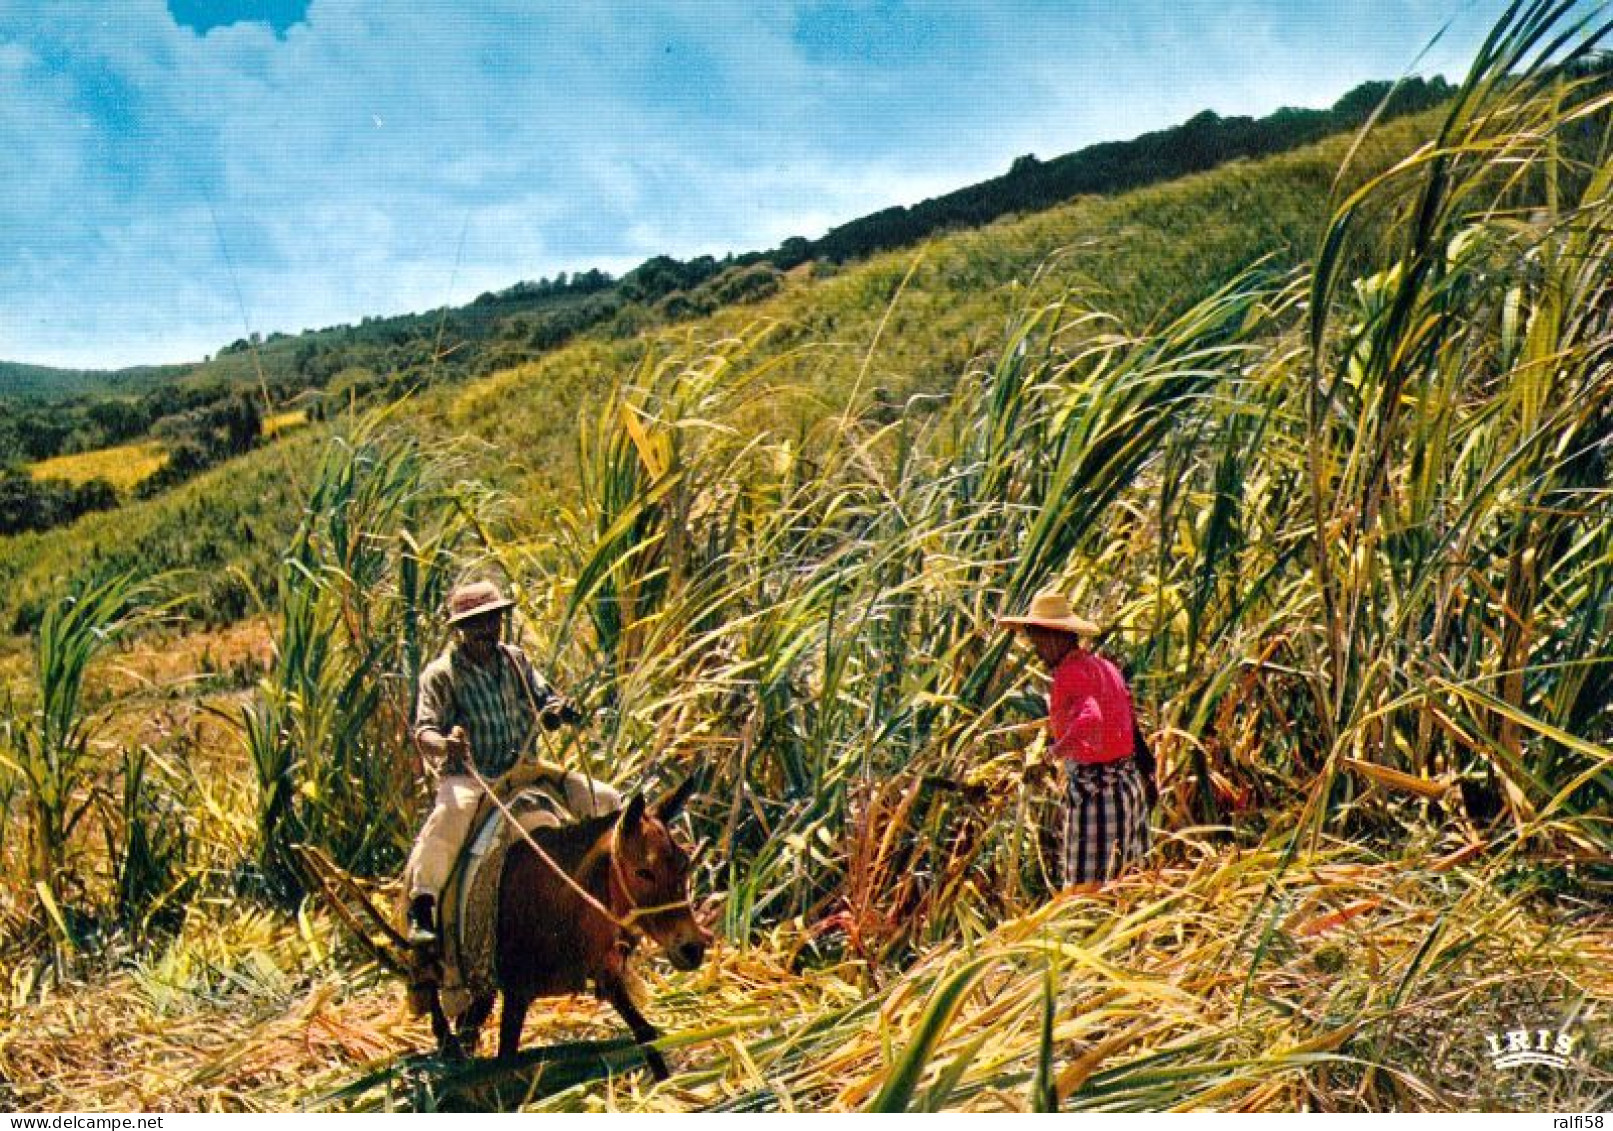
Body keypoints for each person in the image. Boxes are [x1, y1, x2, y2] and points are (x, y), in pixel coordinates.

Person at [404, 578, 620, 947]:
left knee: (607, 800)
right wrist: (446, 746)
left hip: (525, 770)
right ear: (459, 631)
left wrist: (559, 711)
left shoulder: (516, 660)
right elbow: (423, 731)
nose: (486, 630)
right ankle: (423, 906)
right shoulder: (441, 675)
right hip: (473, 775)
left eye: (492, 619)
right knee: (449, 818)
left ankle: (617, 895)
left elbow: (544, 702)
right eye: (475, 623)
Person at [1001, 590, 1153, 887]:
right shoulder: (1104, 666)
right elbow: (1126, 718)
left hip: (1097, 794)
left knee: (1087, 895)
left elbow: (1091, 718)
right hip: (1128, 786)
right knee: (1126, 886)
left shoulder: (1069, 672)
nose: (1036, 649)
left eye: (1037, 639)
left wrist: (1052, 754)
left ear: (1056, 637)